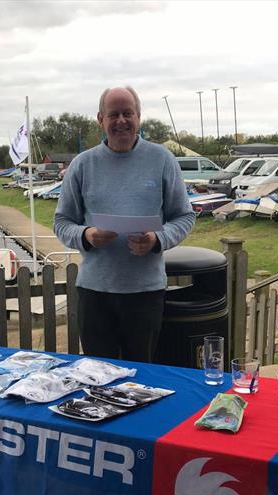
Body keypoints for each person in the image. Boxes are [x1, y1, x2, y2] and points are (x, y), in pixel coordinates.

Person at [53, 86, 195, 362]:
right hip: (95, 293)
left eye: (128, 113)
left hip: (145, 293)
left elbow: (185, 216)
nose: (121, 121)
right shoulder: (82, 164)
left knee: (141, 379)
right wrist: (86, 235)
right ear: (100, 119)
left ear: (139, 117)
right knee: (98, 376)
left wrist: (158, 239)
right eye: (113, 114)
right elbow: (61, 221)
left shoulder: (162, 159)